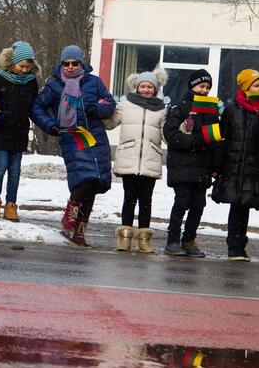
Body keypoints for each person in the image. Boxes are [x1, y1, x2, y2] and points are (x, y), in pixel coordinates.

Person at [31, 45, 116, 245]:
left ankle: (80, 230)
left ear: (81, 63)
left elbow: (109, 103)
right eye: (66, 63)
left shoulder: (93, 82)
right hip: (71, 136)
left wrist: (97, 108)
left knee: (95, 182)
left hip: (94, 136)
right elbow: (37, 107)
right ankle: (70, 215)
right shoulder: (54, 86)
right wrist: (50, 125)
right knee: (84, 178)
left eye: (74, 63)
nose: (70, 67)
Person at [103, 69, 168, 253]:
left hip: (151, 159)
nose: (146, 89)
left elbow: (166, 135)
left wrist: (182, 128)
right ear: (136, 87)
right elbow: (110, 123)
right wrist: (98, 112)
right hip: (128, 159)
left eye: (150, 87)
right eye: (143, 86)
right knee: (129, 198)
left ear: (155, 89)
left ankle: (144, 240)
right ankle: (124, 237)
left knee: (146, 200)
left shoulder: (162, 109)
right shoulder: (125, 105)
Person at [212, 70, 259, 261]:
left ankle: (240, 246)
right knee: (235, 204)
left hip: (252, 164)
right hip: (232, 164)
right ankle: (234, 247)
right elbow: (221, 136)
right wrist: (217, 164)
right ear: (245, 87)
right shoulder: (232, 109)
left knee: (244, 205)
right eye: (256, 85)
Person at [162, 69, 221, 257]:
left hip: (202, 167)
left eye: (207, 87)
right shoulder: (179, 108)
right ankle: (172, 241)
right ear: (192, 86)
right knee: (182, 202)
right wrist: (195, 142)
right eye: (201, 86)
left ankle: (189, 240)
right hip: (182, 166)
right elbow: (171, 135)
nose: (204, 90)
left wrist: (215, 166)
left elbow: (215, 140)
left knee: (198, 205)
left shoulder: (211, 111)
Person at [0, 41, 39, 222]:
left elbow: (34, 106)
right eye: (22, 66)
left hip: (19, 132)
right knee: (1, 167)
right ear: (13, 62)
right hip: (0, 131)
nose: (24, 70)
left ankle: (11, 205)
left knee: (15, 170)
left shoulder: (30, 82)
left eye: (28, 67)